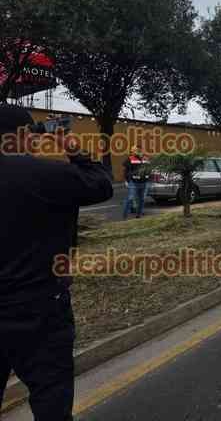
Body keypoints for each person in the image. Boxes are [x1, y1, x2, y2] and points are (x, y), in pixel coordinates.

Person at [0, 105, 113, 420]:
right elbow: (101, 182)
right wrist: (73, 148)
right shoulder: (47, 174)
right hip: (39, 309)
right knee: (50, 396)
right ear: (25, 136)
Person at [122, 146, 151, 219]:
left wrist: (148, 177)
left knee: (142, 199)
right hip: (134, 183)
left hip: (144, 182)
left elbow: (149, 169)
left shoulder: (146, 159)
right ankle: (125, 216)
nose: (139, 152)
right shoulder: (130, 159)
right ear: (133, 152)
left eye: (140, 150)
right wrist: (127, 180)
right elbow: (125, 170)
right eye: (136, 151)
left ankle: (139, 216)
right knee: (130, 199)